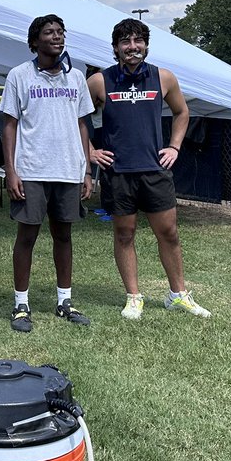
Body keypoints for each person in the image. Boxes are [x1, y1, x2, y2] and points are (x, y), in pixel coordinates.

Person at [87, 18, 211, 321]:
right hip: (119, 172)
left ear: (146, 45)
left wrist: (174, 147)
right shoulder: (100, 81)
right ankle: (133, 296)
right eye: (126, 42)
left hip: (154, 171)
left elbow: (182, 112)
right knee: (124, 233)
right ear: (115, 48)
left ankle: (177, 295)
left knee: (168, 233)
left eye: (138, 41)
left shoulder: (163, 78)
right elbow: (79, 118)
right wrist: (90, 150)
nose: (133, 47)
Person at [0, 14, 95, 332]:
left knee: (63, 235)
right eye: (49, 32)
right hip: (32, 169)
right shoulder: (19, 75)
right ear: (34, 42)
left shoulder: (77, 78)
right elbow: (9, 126)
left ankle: (64, 301)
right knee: (26, 236)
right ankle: (21, 305)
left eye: (60, 32)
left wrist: (86, 169)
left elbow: (83, 124)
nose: (57, 37)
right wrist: (11, 171)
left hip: (69, 169)